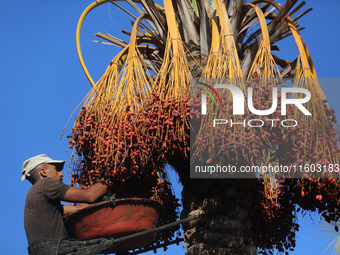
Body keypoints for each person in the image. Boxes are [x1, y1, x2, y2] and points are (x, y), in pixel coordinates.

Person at [21, 154, 114, 255]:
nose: (61, 174)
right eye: (56, 170)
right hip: (55, 250)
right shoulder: (46, 184)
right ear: (43, 172)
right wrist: (113, 177)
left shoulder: (41, 202)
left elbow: (79, 208)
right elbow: (90, 195)